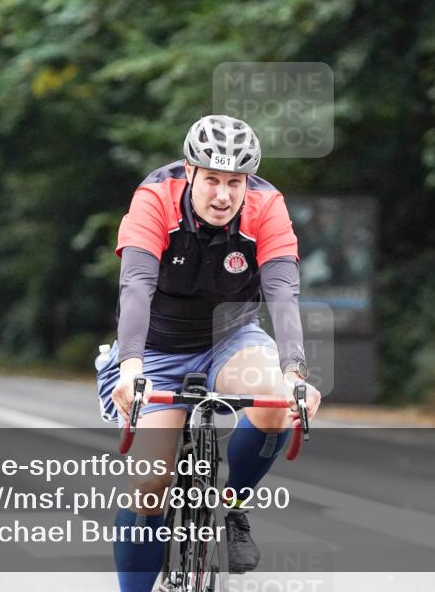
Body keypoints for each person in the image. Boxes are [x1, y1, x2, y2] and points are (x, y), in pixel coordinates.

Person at [96, 114, 322, 592]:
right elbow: (136, 285)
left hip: (230, 338)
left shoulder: (267, 206)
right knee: (149, 487)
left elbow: (283, 292)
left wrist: (295, 372)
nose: (223, 195)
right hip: (156, 348)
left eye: (234, 183)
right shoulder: (154, 198)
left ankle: (234, 506)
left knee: (274, 401)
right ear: (189, 171)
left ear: (247, 182)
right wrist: (131, 367)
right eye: (212, 180)